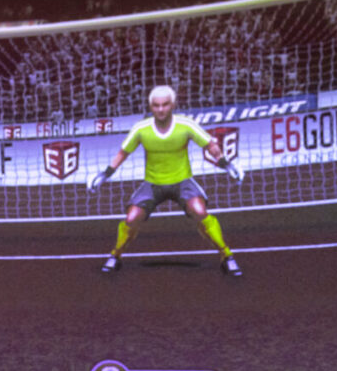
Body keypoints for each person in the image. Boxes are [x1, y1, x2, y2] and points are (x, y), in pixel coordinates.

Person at [87, 85, 245, 276]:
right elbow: (123, 153)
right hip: (152, 184)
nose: (160, 109)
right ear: (150, 106)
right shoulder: (141, 128)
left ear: (173, 104)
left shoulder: (186, 125)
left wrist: (227, 165)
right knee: (131, 217)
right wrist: (104, 174)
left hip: (182, 181)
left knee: (200, 211)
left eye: (165, 105)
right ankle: (116, 255)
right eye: (156, 105)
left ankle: (226, 255)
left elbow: (211, 146)